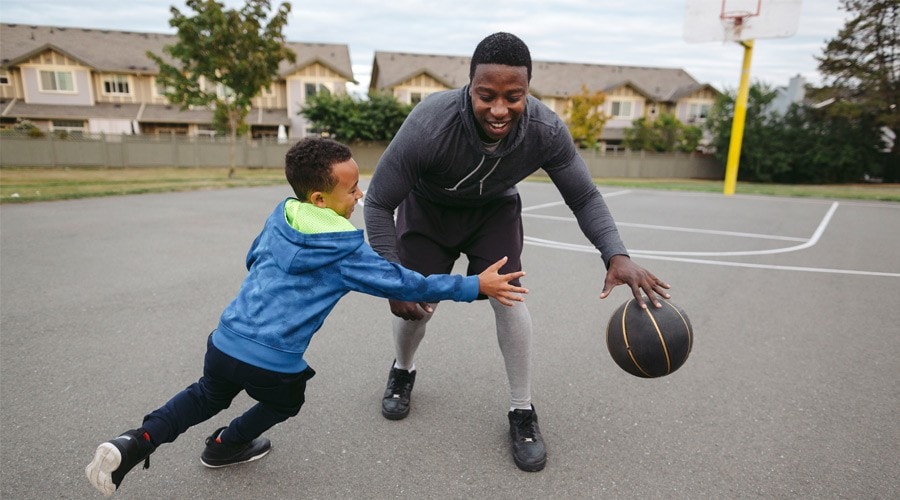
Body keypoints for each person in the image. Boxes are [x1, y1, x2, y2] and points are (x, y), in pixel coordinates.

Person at [84, 137, 528, 496]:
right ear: (320, 197)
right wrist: (475, 286)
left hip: (224, 339)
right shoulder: (344, 250)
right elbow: (406, 282)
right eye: (352, 190)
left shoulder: (281, 217)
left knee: (205, 395)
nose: (361, 195)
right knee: (285, 402)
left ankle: (133, 442)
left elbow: (252, 257)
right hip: (273, 363)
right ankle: (226, 444)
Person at [363, 32, 671, 473]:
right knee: (415, 305)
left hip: (492, 212)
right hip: (428, 210)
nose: (500, 109)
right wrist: (391, 277)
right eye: (486, 95)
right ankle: (403, 369)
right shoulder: (431, 123)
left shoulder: (544, 129)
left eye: (514, 96)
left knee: (509, 296)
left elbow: (583, 196)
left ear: (528, 90)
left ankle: (521, 411)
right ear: (469, 86)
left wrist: (615, 254)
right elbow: (377, 202)